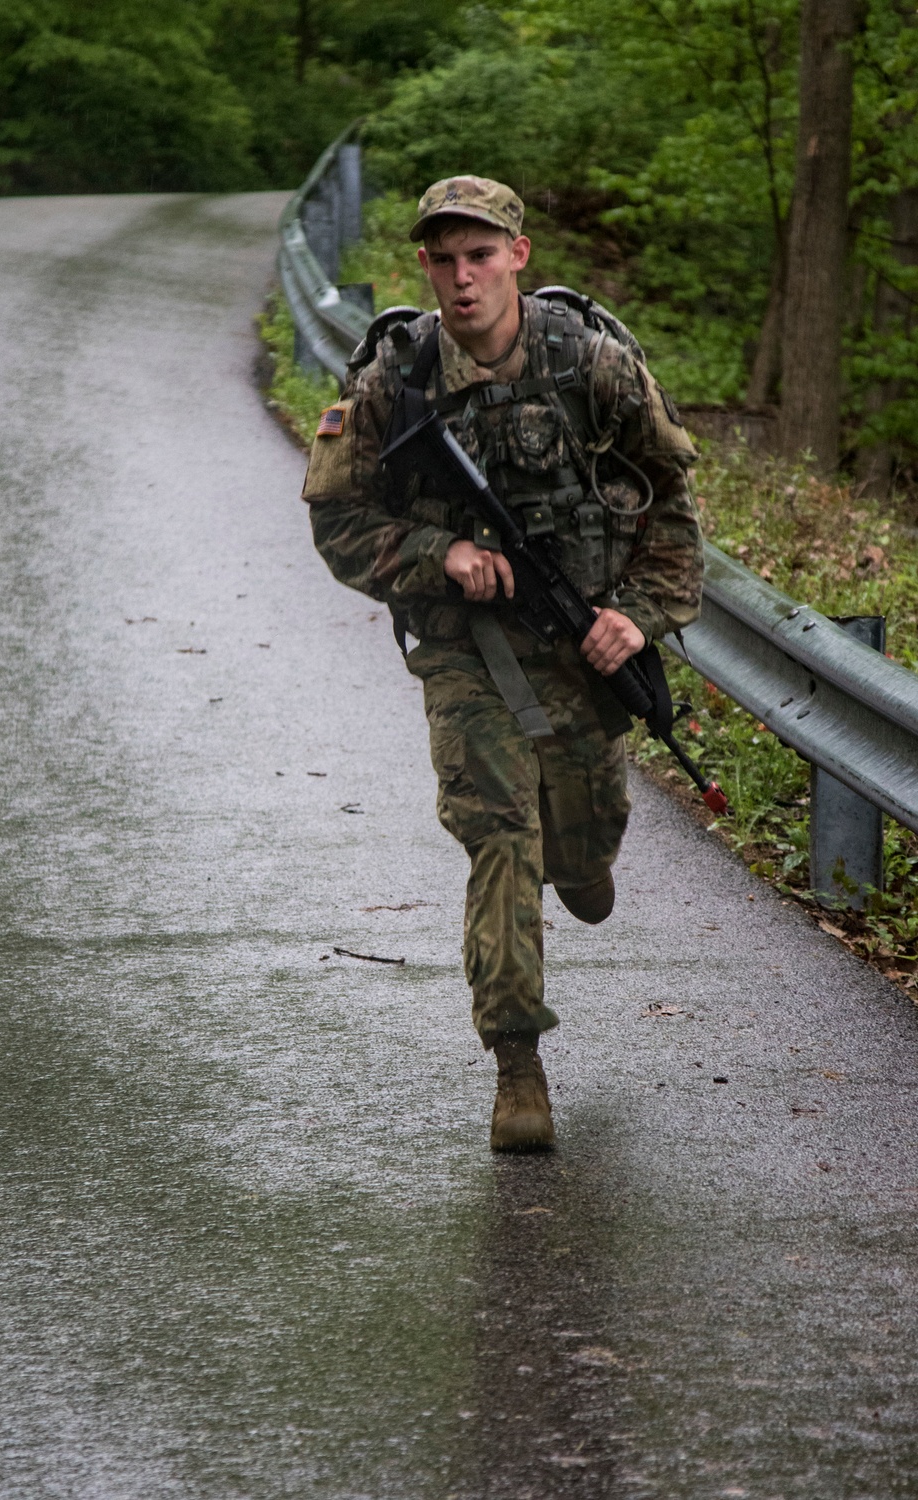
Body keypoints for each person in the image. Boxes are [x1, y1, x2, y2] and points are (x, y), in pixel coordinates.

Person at [302, 175, 703, 1152]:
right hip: (464, 649)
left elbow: (674, 508)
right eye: (440, 259)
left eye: (478, 254)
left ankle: (585, 860)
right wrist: (441, 555)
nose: (459, 276)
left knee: (581, 850)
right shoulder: (394, 384)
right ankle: (517, 1067)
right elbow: (337, 518)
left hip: (582, 645)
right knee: (500, 837)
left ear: (517, 256)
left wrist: (637, 619)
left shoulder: (594, 369)